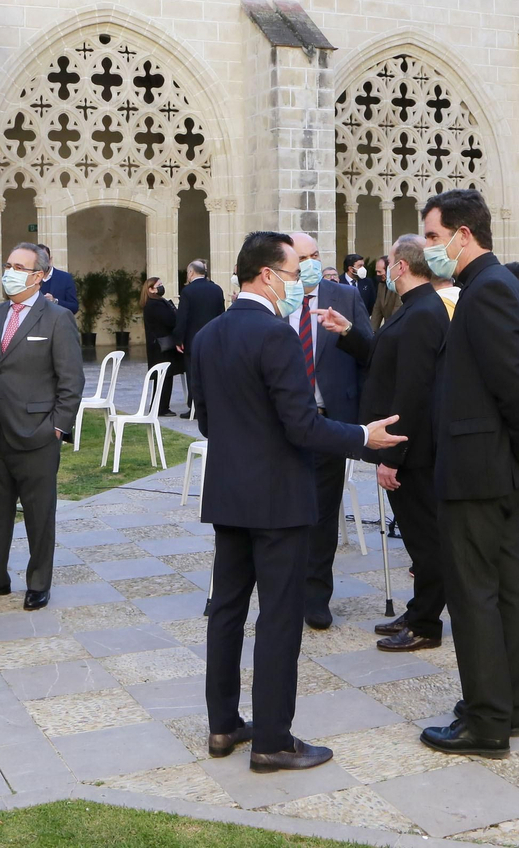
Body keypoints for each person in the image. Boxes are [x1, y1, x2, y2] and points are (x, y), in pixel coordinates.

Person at [188, 230, 406, 772]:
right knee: (279, 618)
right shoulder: (276, 334)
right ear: (267, 275)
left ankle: (222, 726)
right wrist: (362, 437)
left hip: (229, 493)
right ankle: (272, 740)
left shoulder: (210, 334)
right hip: (278, 497)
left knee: (226, 610)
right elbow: (302, 424)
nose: (297, 283)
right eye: (291, 273)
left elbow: (207, 420)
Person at [420, 189, 519, 760]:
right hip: (492, 465)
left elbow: (514, 380)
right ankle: (505, 704)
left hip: (481, 469)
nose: (429, 247)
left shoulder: (487, 291)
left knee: (477, 593)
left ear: (463, 235)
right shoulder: (487, 287)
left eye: (432, 236)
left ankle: (485, 720)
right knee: (504, 588)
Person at [0, 243, 85, 613]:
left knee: (38, 513)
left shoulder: (57, 318)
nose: (9, 272)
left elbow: (71, 380)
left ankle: (38, 582)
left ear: (40, 275)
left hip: (37, 432)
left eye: (19, 267)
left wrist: (57, 427)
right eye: (8, 264)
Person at [344, 234, 450, 651]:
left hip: (414, 451)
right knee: (417, 537)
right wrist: (350, 334)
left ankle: (426, 623)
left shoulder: (424, 311)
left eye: (388, 261)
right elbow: (386, 362)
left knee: (426, 540)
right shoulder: (414, 308)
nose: (383, 268)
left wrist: (393, 456)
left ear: (402, 266)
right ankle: (420, 608)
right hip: (409, 449)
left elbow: (413, 391)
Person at [288, 231, 374, 630]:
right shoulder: (274, 301)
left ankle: (315, 596)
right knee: (282, 512)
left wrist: (347, 333)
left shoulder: (344, 296)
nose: (308, 263)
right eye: (301, 256)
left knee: (323, 515)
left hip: (329, 419)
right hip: (284, 423)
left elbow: (368, 355)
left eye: (315, 255)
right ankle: (281, 589)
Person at [174, 259, 224, 417]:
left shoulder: (188, 291)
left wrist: (178, 339)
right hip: (213, 339)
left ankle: (195, 408)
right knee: (211, 373)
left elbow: (182, 317)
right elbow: (222, 315)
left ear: (191, 273)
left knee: (193, 374)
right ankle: (213, 406)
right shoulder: (217, 289)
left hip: (193, 340)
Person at [142, 275, 181, 415]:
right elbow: (170, 320)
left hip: (158, 345)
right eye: (158, 285)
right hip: (160, 346)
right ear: (151, 289)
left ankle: (160, 406)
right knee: (164, 376)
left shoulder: (155, 303)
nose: (161, 287)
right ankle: (161, 407)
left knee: (164, 376)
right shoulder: (155, 304)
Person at [370, 254, 400, 331]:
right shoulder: (381, 285)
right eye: (376, 272)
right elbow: (377, 309)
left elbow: (397, 309)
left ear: (388, 270)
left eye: (379, 272)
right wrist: (371, 332)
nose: (377, 275)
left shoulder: (398, 284)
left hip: (397, 329)